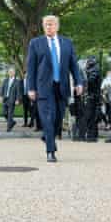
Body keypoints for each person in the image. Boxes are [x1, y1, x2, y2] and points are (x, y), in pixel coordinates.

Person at [25, 15, 83, 163]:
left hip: (61, 87)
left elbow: (74, 66)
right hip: (43, 88)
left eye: (51, 24)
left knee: (58, 119)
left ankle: (47, 136)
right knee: (48, 118)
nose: (48, 27)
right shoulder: (35, 43)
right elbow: (30, 68)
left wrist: (79, 83)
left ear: (57, 26)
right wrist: (30, 88)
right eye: (46, 24)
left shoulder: (67, 43)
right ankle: (51, 151)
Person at [0, 67, 22, 132]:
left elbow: (18, 91)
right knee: (4, 113)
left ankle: (9, 128)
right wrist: (1, 96)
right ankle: (12, 122)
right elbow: (2, 89)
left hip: (12, 99)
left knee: (10, 114)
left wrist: (18, 100)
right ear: (8, 73)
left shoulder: (17, 81)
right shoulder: (5, 80)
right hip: (5, 99)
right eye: (9, 72)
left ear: (14, 73)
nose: (10, 73)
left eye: (12, 72)